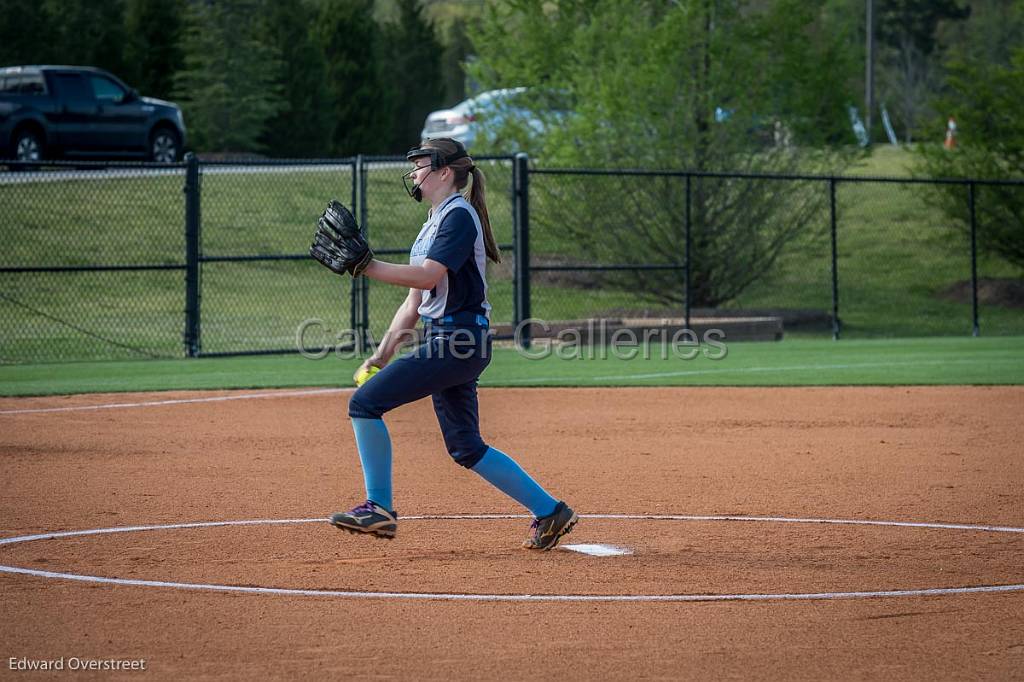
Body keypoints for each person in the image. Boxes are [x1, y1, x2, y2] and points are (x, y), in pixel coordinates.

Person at [318, 137, 577, 551]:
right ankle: (551, 512)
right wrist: (382, 355)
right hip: (452, 340)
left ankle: (379, 508)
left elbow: (426, 276)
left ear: (444, 172)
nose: (414, 173)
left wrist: (368, 266)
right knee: (466, 447)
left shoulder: (458, 216)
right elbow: (414, 303)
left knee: (364, 404)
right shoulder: (434, 222)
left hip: (459, 340)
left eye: (420, 165)